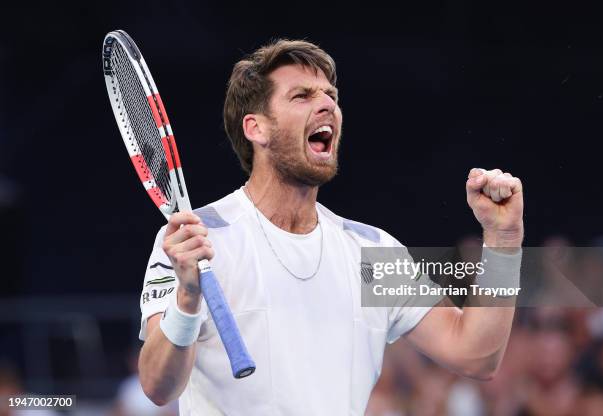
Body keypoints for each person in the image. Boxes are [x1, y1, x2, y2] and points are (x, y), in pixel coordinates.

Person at [137, 39, 524, 415]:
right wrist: (187, 297)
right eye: (301, 96)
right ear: (257, 128)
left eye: (331, 96)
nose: (327, 105)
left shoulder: (371, 252)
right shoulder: (195, 238)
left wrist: (504, 241)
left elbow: (477, 355)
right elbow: (157, 386)